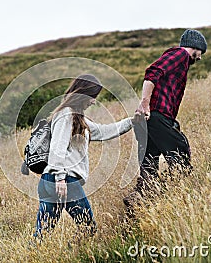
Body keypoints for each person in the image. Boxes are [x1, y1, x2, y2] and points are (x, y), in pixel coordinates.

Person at [33, 74, 135, 240]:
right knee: (88, 227)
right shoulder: (66, 114)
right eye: (93, 97)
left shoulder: (77, 117)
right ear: (83, 94)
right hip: (64, 180)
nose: (94, 101)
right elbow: (57, 148)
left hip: (50, 180)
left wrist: (133, 121)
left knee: (43, 234)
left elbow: (104, 131)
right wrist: (60, 178)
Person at [124, 29, 208, 210]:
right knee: (181, 149)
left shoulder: (181, 63)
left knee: (149, 166)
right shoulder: (180, 55)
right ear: (195, 47)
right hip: (155, 117)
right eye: (200, 52)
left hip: (150, 121)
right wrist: (145, 104)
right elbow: (152, 73)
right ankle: (182, 194)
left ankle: (138, 200)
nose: (200, 58)